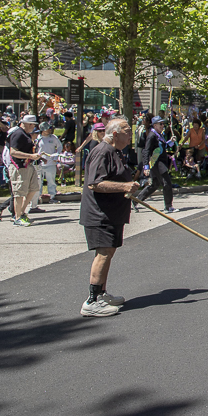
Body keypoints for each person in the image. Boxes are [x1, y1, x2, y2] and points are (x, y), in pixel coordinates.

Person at [79, 117, 137, 317]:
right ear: (114, 134)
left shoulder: (116, 152)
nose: (130, 134)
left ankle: (101, 293)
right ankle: (92, 300)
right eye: (127, 130)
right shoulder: (102, 151)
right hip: (99, 214)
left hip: (112, 213)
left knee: (108, 252)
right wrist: (124, 186)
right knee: (103, 253)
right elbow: (95, 183)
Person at [6, 115, 42, 227]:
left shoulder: (25, 134)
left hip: (28, 165)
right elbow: (13, 152)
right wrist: (30, 155)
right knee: (19, 192)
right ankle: (17, 217)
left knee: (34, 188)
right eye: (32, 125)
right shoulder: (18, 134)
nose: (33, 127)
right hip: (19, 166)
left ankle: (21, 212)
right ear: (27, 124)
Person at [138, 116, 178, 213]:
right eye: (160, 124)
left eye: (163, 124)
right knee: (167, 183)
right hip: (157, 163)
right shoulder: (152, 136)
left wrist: (171, 142)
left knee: (155, 184)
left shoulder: (159, 135)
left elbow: (162, 147)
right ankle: (168, 206)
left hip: (159, 162)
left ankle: (136, 200)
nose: (162, 126)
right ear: (154, 125)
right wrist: (146, 166)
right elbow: (146, 151)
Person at [36, 122, 63, 204]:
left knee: (51, 181)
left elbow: (59, 147)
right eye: (47, 129)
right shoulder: (38, 138)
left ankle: (52, 196)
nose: (49, 130)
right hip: (40, 163)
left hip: (51, 163)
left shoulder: (53, 137)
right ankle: (37, 197)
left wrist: (56, 156)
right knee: (38, 181)